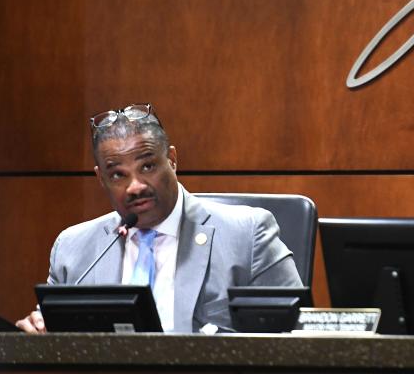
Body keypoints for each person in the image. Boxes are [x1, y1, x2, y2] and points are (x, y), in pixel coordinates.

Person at [17, 104, 301, 333]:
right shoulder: (74, 249)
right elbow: (53, 337)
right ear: (100, 178)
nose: (135, 186)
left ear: (172, 160)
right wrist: (40, 333)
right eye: (118, 174)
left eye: (148, 165)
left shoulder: (247, 234)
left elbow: (299, 332)